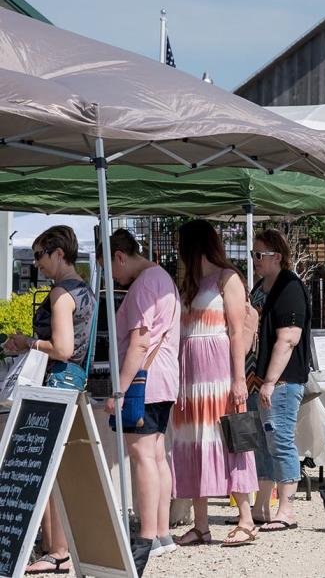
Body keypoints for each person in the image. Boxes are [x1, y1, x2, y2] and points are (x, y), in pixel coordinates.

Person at [10, 226, 95, 575]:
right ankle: (54, 546)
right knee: (56, 468)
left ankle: (57, 549)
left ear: (59, 252)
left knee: (46, 468)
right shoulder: (84, 289)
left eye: (41, 255)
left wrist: (26, 342)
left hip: (57, 379)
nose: (38, 263)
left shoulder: (61, 293)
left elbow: (62, 348)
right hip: (73, 380)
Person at [172, 220, 258, 547]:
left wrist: (239, 378)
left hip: (219, 373)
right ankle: (202, 525)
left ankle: (247, 519)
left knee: (229, 439)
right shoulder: (191, 283)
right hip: (192, 380)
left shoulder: (227, 278)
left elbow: (237, 330)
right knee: (196, 442)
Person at [107, 229, 181, 558]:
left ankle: (149, 535)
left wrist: (118, 390)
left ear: (119, 256)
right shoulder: (163, 278)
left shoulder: (142, 286)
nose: (112, 277)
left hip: (143, 382)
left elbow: (138, 342)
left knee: (142, 457)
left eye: (109, 268)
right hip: (164, 379)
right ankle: (162, 533)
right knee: (157, 456)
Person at [246, 229, 312, 533]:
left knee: (279, 440)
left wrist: (270, 381)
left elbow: (288, 338)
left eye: (259, 254)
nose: (255, 260)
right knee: (260, 442)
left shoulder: (289, 286)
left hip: (281, 379)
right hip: (257, 377)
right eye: (253, 254)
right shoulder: (261, 286)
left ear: (277, 256)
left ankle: (286, 508)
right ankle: (262, 506)